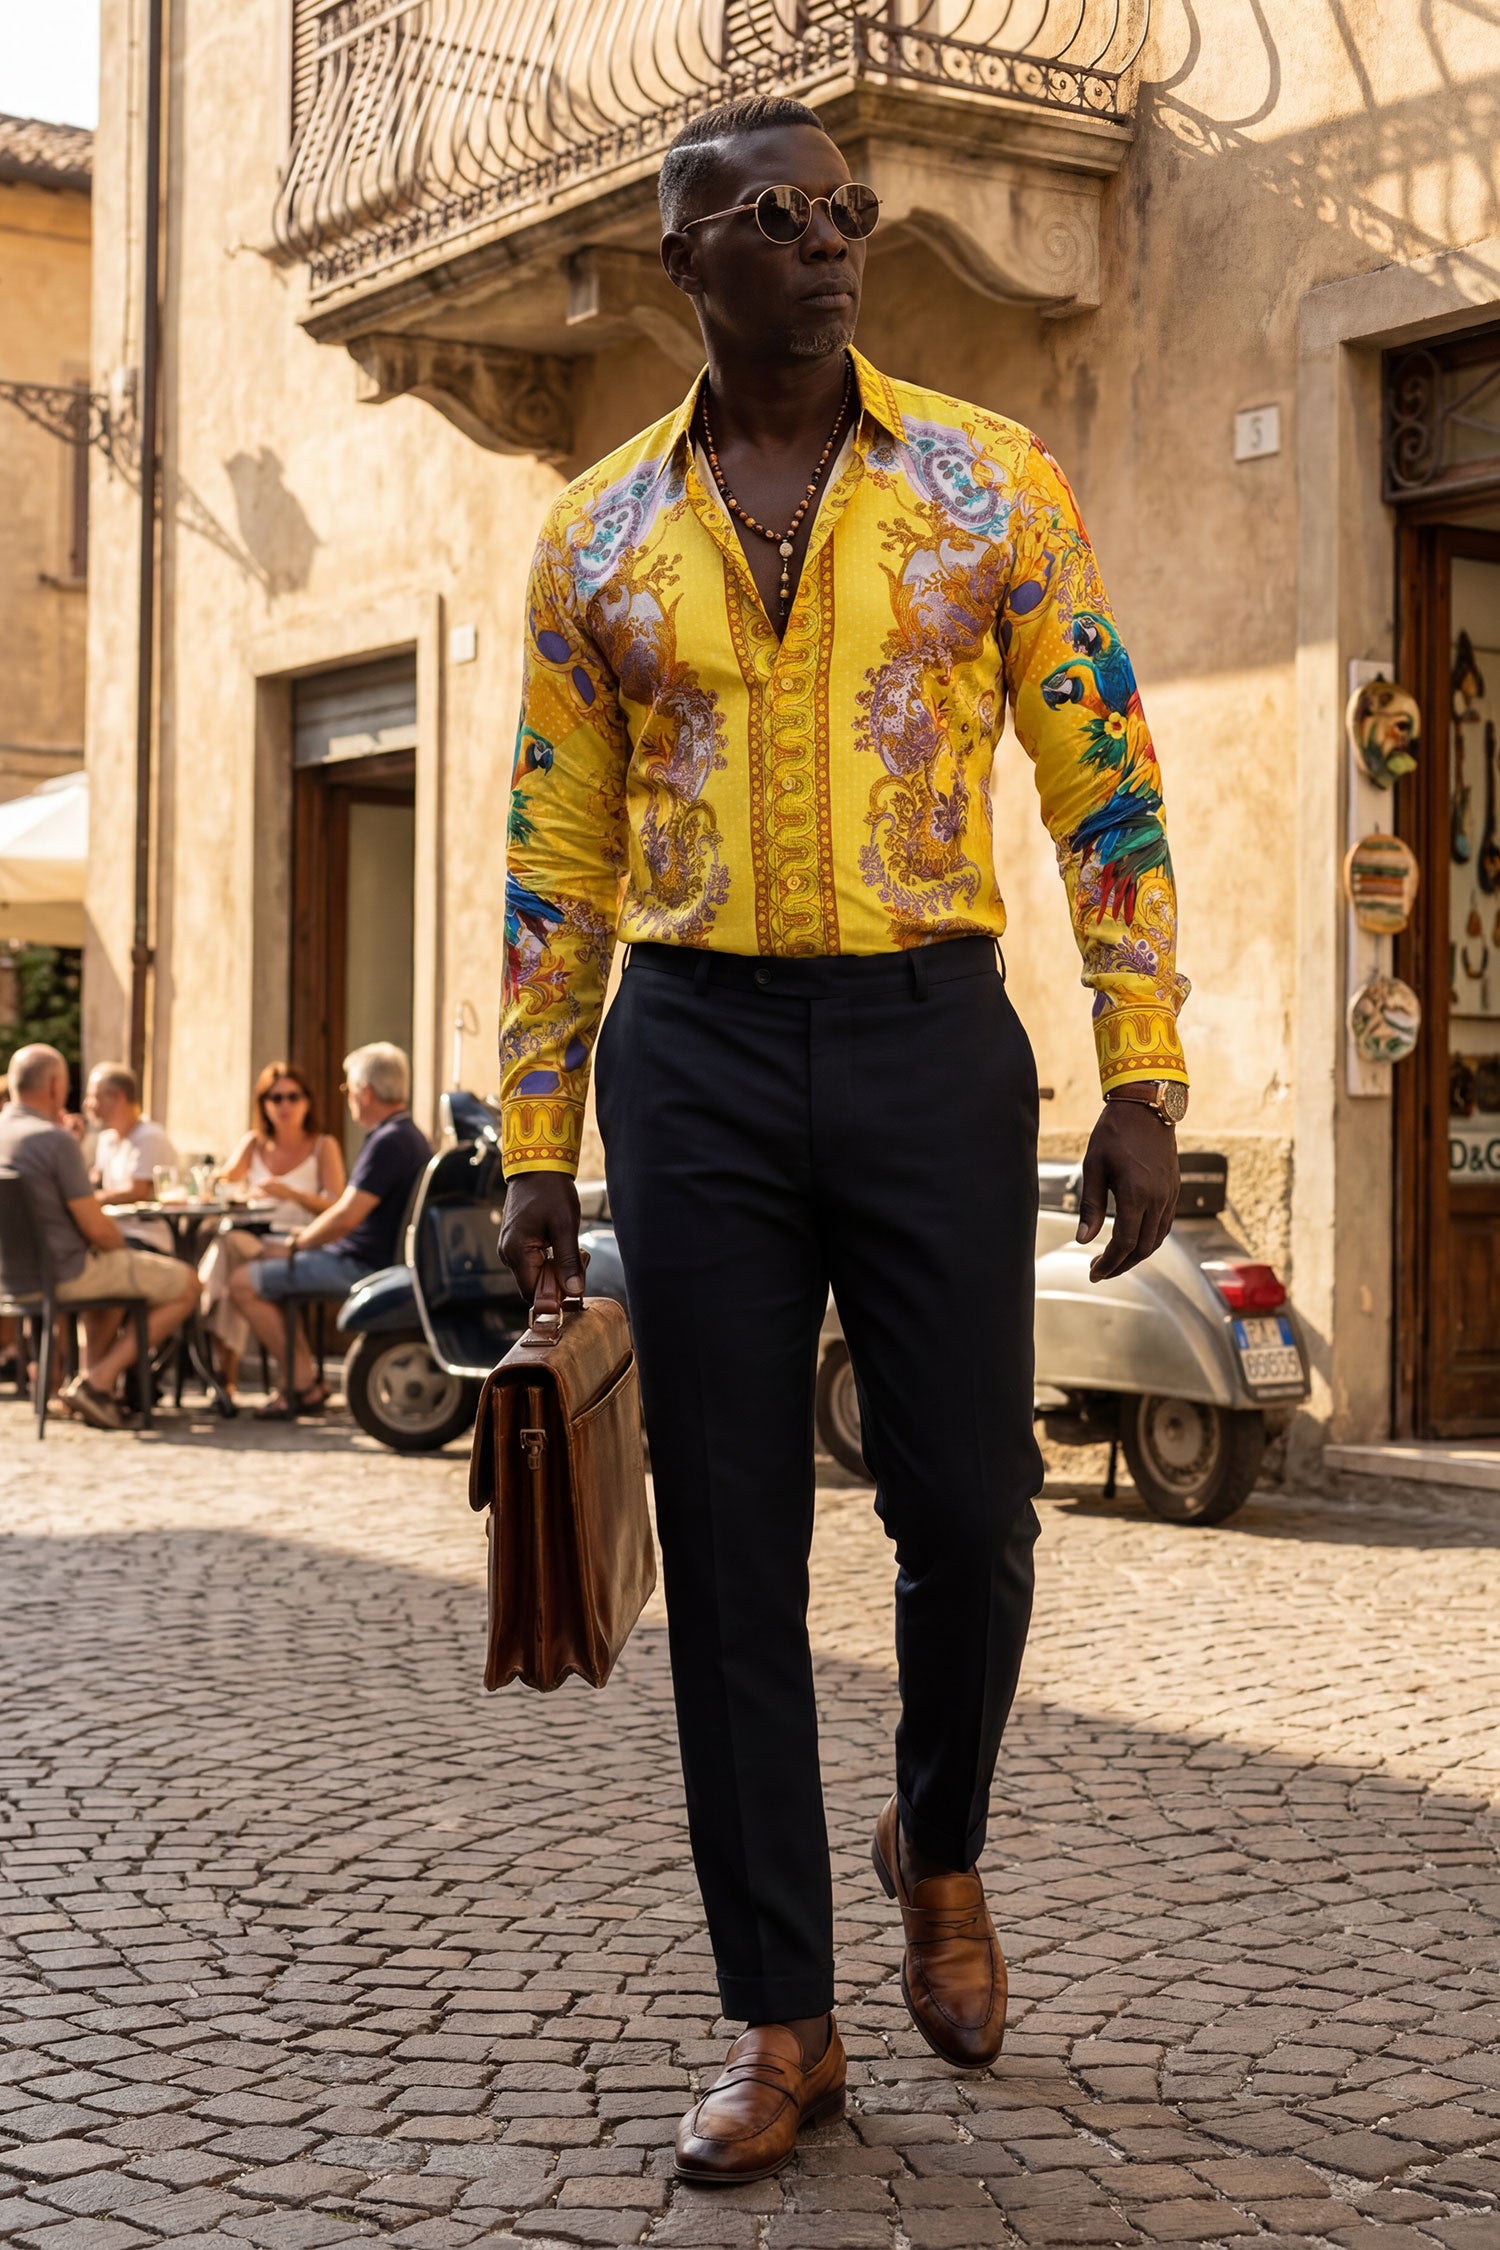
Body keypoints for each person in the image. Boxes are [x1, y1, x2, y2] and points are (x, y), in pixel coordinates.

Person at [497, 95, 1190, 2182]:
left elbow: (1106, 780)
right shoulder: (593, 537)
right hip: (694, 1057)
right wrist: (537, 1136)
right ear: (683, 259)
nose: (826, 243)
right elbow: (555, 852)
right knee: (732, 1552)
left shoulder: (993, 481)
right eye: (778, 217)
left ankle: (938, 1844)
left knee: (972, 1512)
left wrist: (1142, 1067)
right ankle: (781, 2019)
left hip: (927, 1038)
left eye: (847, 212)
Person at [0, 1044, 199, 1430]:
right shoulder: (53, 1139)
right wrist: (117, 1247)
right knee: (189, 1284)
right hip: (64, 1273)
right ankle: (99, 1380)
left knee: (114, 1276)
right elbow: (97, 1229)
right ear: (55, 1087)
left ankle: (92, 1389)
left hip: (12, 1278)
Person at [229, 1041, 428, 1415]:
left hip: (361, 1264)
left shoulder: (388, 1141)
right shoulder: (406, 1134)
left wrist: (294, 1245)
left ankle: (301, 1384)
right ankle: (303, 1380)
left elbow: (346, 1215)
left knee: (242, 1282)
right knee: (260, 1269)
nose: (348, 1098)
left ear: (364, 1093)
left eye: (348, 1089)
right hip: (365, 1256)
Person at [198, 1060, 345, 1396]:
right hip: (255, 1237)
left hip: (300, 1242)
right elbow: (219, 1184)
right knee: (229, 1254)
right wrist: (239, 1192)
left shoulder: (323, 1146)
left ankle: (222, 1364)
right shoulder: (254, 1144)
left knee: (227, 1264)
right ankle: (299, 1379)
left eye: (293, 1097)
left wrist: (291, 1194)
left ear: (307, 1102)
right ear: (263, 1104)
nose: (284, 1106)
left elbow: (338, 1208)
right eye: (275, 1098)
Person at [86, 1060, 179, 1254]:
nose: (87, 1104)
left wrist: (89, 1200)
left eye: (94, 1096)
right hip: (113, 1231)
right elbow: (93, 1182)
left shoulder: (149, 1136)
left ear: (118, 1097)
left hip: (144, 1236)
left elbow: (137, 1191)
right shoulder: (107, 1139)